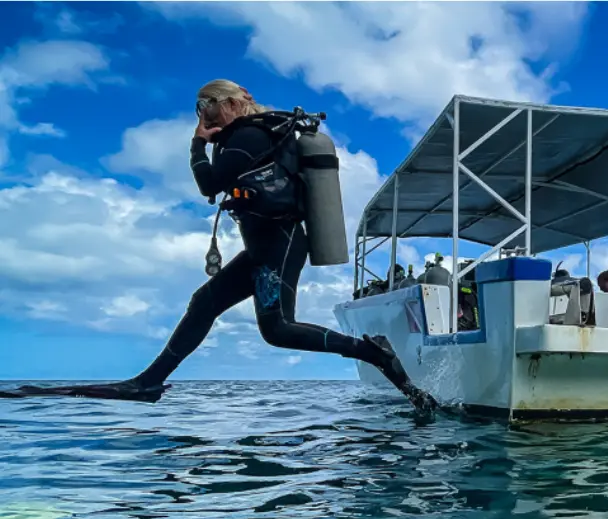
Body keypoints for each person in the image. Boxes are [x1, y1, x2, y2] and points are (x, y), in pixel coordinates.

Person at [22, 80, 435, 411]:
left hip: (279, 241)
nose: (206, 118)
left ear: (229, 105)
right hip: (264, 244)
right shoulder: (255, 135)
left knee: (277, 329)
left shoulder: (249, 136)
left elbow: (209, 183)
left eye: (208, 110)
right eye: (203, 114)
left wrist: (197, 143)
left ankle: (371, 351)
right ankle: (147, 383)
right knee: (204, 303)